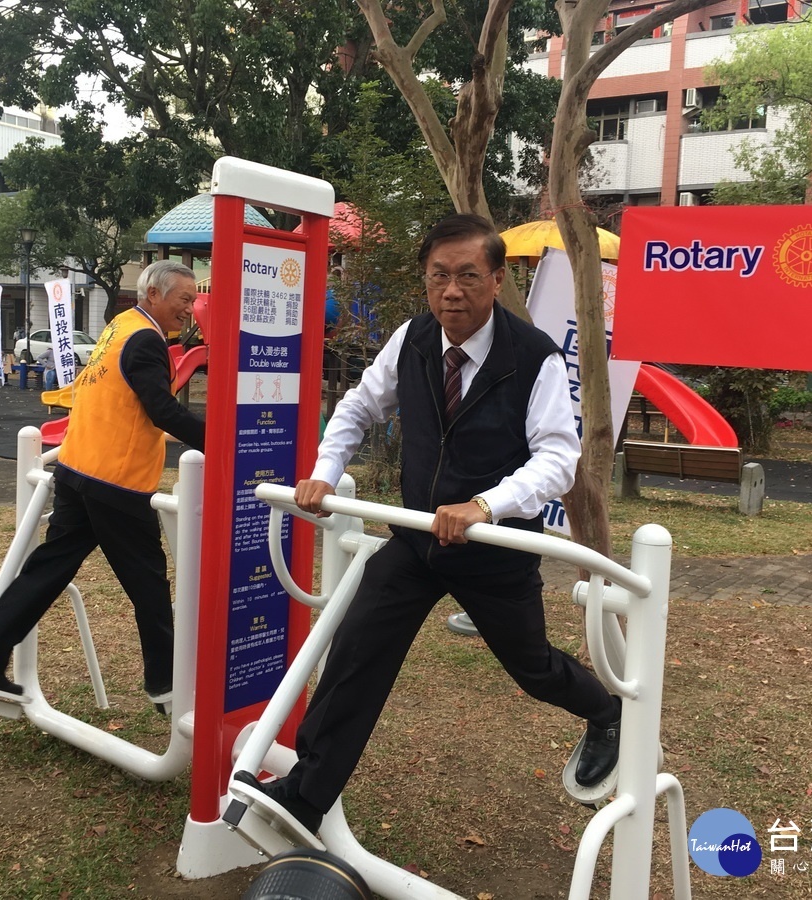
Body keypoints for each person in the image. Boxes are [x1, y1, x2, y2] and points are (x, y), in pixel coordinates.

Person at [237, 214, 621, 832]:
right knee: (357, 648)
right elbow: (360, 406)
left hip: (493, 550)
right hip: (416, 542)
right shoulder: (413, 339)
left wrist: (486, 505)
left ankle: (605, 711)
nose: (452, 292)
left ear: (497, 280)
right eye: (439, 276)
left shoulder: (534, 358)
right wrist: (326, 470)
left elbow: (558, 459)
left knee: (533, 668)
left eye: (468, 276)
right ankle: (306, 794)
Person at [0, 260, 207, 712]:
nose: (190, 309)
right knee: (148, 584)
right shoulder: (146, 340)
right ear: (154, 295)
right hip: (115, 481)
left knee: (48, 569)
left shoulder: (120, 327)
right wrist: (228, 438)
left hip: (78, 469)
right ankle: (168, 690)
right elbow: (162, 410)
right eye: (183, 299)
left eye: (192, 300)